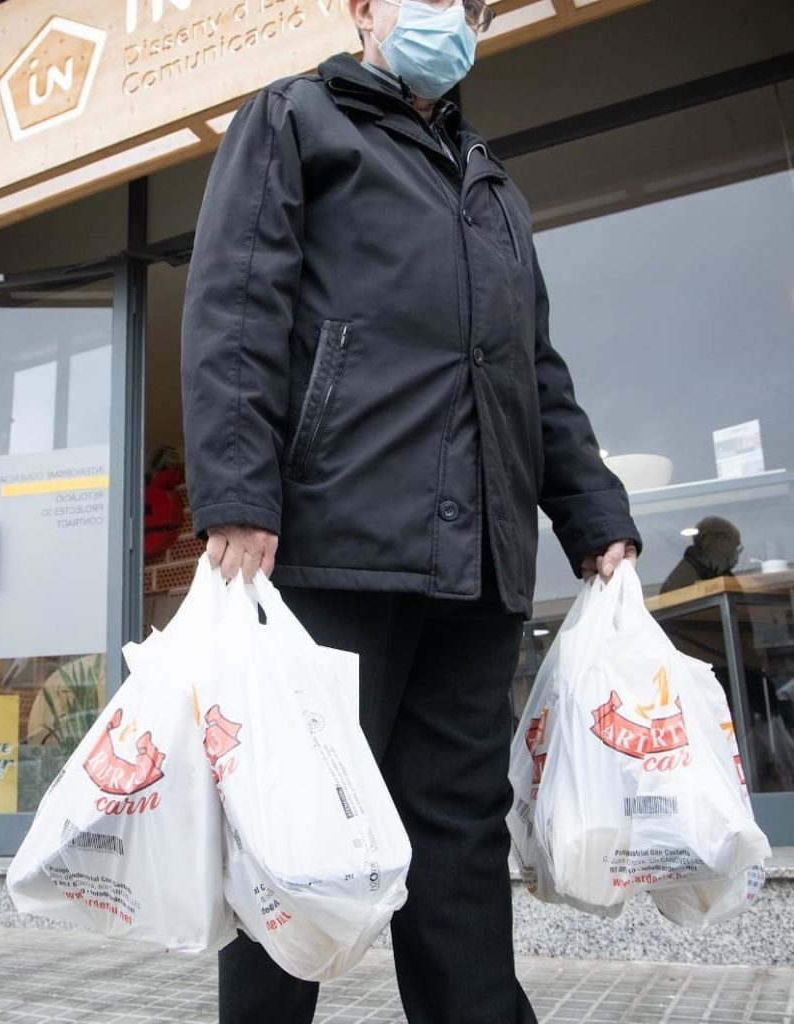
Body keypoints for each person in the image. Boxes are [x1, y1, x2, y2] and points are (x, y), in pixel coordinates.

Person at [181, 0, 641, 1020]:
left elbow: (536, 372)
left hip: (474, 561)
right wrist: (240, 495)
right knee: (294, 838)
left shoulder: (488, 182)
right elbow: (236, 303)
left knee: (458, 842)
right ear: (359, 10)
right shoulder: (295, 119)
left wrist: (591, 517)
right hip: (330, 545)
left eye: (470, 2)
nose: (450, 13)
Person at [661, 515, 742, 593]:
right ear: (717, 543)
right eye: (734, 545)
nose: (736, 552)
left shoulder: (720, 574)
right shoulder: (682, 581)